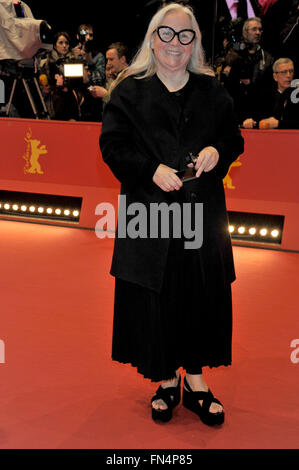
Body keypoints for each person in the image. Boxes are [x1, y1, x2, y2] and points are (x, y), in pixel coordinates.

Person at [100, 2, 244, 425]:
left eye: (185, 35)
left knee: (200, 292)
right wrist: (150, 169)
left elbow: (233, 138)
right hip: (150, 215)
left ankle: (196, 381)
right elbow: (112, 147)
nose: (175, 44)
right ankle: (164, 379)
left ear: (195, 42)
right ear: (152, 38)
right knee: (155, 296)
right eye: (166, 34)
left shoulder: (213, 90)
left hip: (202, 215)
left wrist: (220, 150)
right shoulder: (128, 90)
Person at [222, 17, 273, 123]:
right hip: (236, 112)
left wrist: (251, 84)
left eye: (260, 29)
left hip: (258, 111)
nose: (258, 32)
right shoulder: (233, 55)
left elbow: (268, 86)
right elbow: (226, 83)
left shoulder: (267, 57)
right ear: (245, 32)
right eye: (254, 29)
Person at [243, 58, 299, 128]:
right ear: (275, 77)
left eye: (291, 71)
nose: (288, 75)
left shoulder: (296, 95)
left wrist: (278, 124)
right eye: (284, 72)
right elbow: (257, 119)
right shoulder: (264, 96)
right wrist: (251, 122)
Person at [38, 32, 79, 120]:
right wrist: (45, 87)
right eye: (61, 43)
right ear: (55, 45)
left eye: (66, 43)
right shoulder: (47, 62)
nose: (64, 46)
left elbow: (79, 83)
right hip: (54, 102)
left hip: (71, 100)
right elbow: (43, 83)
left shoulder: (74, 60)